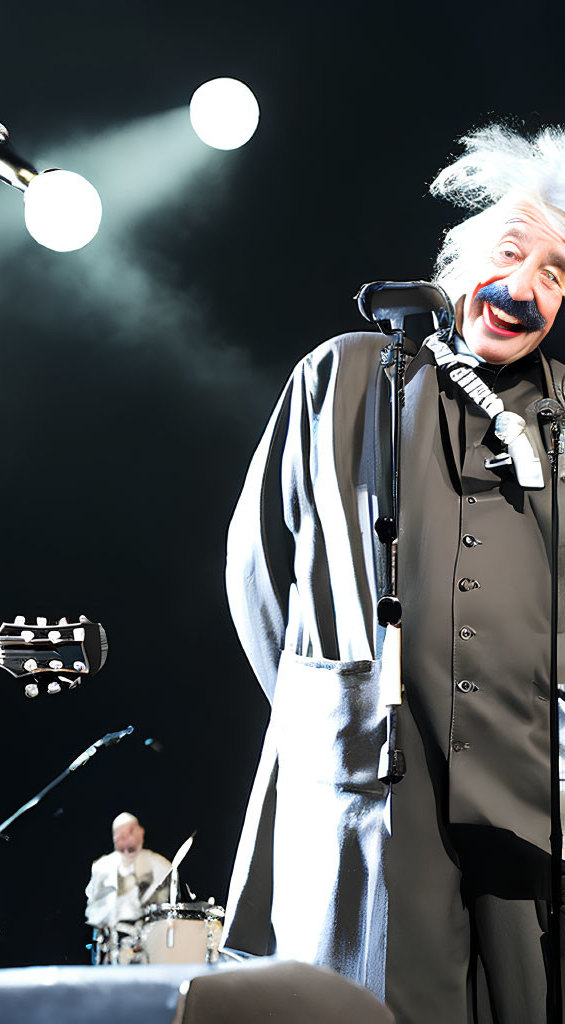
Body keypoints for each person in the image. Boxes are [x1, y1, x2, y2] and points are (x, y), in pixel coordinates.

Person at [223, 124, 565, 1023]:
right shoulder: (344, 375)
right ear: (457, 259)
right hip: (368, 779)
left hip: (527, 787)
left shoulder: (564, 415)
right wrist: (337, 707)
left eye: (557, 276)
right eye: (512, 251)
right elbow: (260, 571)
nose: (525, 289)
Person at [85, 812, 173, 960]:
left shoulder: (161, 866)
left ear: (141, 832)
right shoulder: (101, 868)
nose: (125, 840)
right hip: (111, 946)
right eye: (119, 835)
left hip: (152, 945)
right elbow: (93, 908)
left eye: (130, 832)